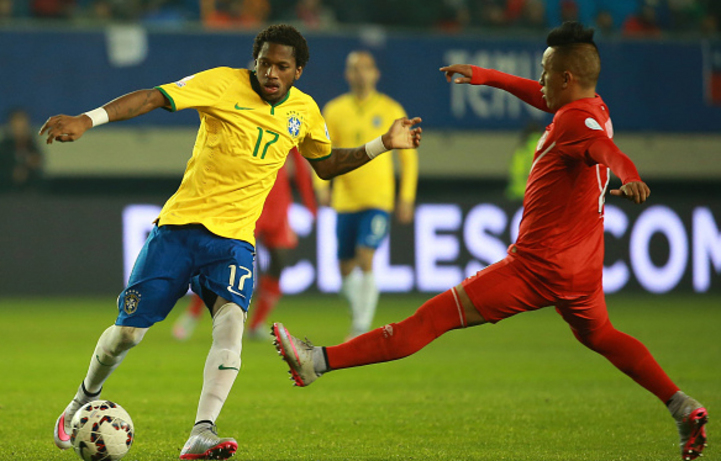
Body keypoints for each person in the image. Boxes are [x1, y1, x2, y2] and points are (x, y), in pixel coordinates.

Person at [272, 22, 708, 461]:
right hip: (583, 267)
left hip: (538, 267)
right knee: (603, 335)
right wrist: (487, 76)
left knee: (432, 318)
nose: (538, 80)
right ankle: (681, 405)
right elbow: (551, 103)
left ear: (565, 78)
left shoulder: (575, 122)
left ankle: (316, 361)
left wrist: (630, 175)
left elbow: (607, 152)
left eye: (544, 71)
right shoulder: (591, 106)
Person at [41, 24, 421, 461]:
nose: (271, 73)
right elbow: (152, 97)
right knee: (127, 334)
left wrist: (382, 144)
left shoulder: (305, 111)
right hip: (179, 229)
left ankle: (202, 431)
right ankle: (80, 401)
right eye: (264, 63)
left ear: (298, 70)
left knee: (231, 326)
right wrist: (87, 119)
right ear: (254, 62)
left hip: (234, 240)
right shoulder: (222, 83)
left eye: (282, 66)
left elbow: (326, 164)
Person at [317, 50, 418, 339]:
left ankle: (361, 326)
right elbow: (320, 152)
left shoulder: (391, 109)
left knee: (366, 255)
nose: (360, 73)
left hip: (378, 198)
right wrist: (322, 186)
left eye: (365, 68)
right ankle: (359, 313)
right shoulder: (334, 110)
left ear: (376, 73)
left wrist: (406, 196)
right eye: (354, 68)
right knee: (344, 268)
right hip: (345, 200)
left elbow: (408, 158)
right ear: (347, 74)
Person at [172, 146, 317, 341]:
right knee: (225, 258)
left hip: (278, 202)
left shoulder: (289, 127)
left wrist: (310, 205)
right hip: (248, 198)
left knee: (279, 261)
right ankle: (193, 314)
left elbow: (299, 163)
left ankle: (256, 325)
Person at [0, 108, 44, 193]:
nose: (20, 128)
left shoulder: (31, 144)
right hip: (7, 190)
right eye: (16, 124)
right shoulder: (4, 145)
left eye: (23, 124)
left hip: (31, 190)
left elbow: (37, 161)